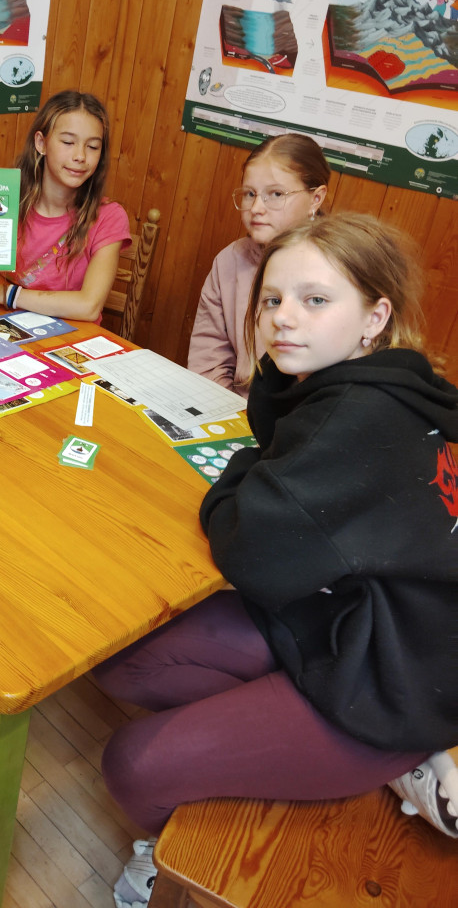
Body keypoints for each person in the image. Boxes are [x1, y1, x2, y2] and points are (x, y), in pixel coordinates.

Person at [96, 213, 458, 908]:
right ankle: (266, 740)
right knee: (122, 660)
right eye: (272, 299)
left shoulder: (354, 418)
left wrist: (242, 470)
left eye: (315, 300)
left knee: (133, 763)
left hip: (391, 689)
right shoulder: (387, 385)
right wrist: (263, 452)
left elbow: (247, 545)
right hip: (355, 626)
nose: (282, 318)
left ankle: (397, 762)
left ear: (375, 317)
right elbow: (276, 462)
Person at [0, 90, 131, 322]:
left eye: (93, 146)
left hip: (71, 337)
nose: (80, 156)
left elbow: (89, 307)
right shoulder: (4, 200)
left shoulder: (109, 216)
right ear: (41, 143)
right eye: (68, 142)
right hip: (4, 327)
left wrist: (4, 294)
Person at [187, 133, 329, 396]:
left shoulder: (336, 271)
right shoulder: (229, 261)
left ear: (316, 198)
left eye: (275, 194)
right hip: (231, 407)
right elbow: (208, 361)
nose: (256, 208)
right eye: (250, 194)